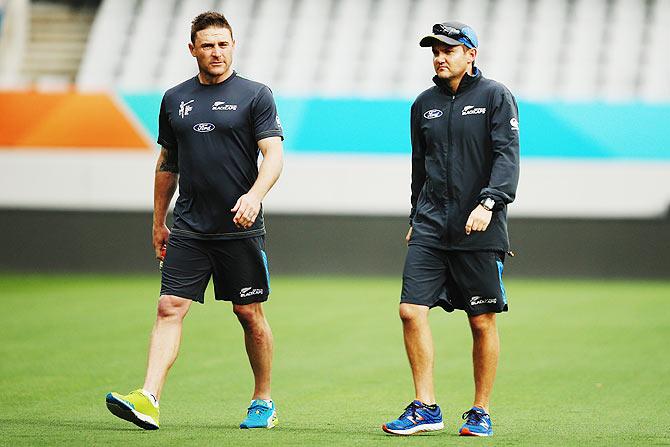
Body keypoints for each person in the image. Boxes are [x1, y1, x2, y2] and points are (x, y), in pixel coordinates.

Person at [105, 11, 284, 430]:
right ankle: (148, 398)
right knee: (169, 306)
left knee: (248, 313)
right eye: (207, 44)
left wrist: (254, 196)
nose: (216, 51)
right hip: (188, 227)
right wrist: (158, 222)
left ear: (233, 45)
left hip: (238, 226)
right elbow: (167, 163)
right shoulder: (174, 99)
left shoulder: (256, 95)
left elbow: (273, 156)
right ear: (193, 49)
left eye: (223, 43)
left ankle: (263, 400)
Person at [381, 21, 520, 437]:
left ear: (470, 54)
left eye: (448, 50)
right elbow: (418, 168)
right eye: (434, 51)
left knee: (481, 320)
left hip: (479, 225)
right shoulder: (423, 103)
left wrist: (489, 201)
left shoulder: (495, 96)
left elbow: (507, 155)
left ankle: (480, 411)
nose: (440, 57)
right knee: (409, 310)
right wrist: (414, 216)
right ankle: (426, 407)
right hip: (429, 225)